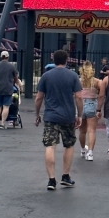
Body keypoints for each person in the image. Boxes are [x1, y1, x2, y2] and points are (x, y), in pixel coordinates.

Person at [35, 49, 83, 190]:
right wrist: (80, 115)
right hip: (68, 116)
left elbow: (39, 97)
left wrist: (37, 114)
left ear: (54, 61)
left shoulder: (46, 76)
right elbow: (79, 97)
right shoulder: (73, 76)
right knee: (68, 145)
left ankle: (51, 180)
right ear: (67, 60)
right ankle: (65, 176)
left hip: (50, 116)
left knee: (50, 146)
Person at [0, 50, 18, 129]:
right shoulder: (11, 66)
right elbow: (15, 77)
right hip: (8, 88)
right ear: (8, 57)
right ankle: (2, 123)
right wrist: (13, 83)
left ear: (0, 57)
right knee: (6, 106)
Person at [77, 61, 100, 161]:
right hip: (92, 104)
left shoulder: (78, 81)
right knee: (92, 131)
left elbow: (74, 94)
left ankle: (82, 150)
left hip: (81, 104)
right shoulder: (96, 82)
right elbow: (102, 93)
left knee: (82, 131)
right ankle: (90, 153)